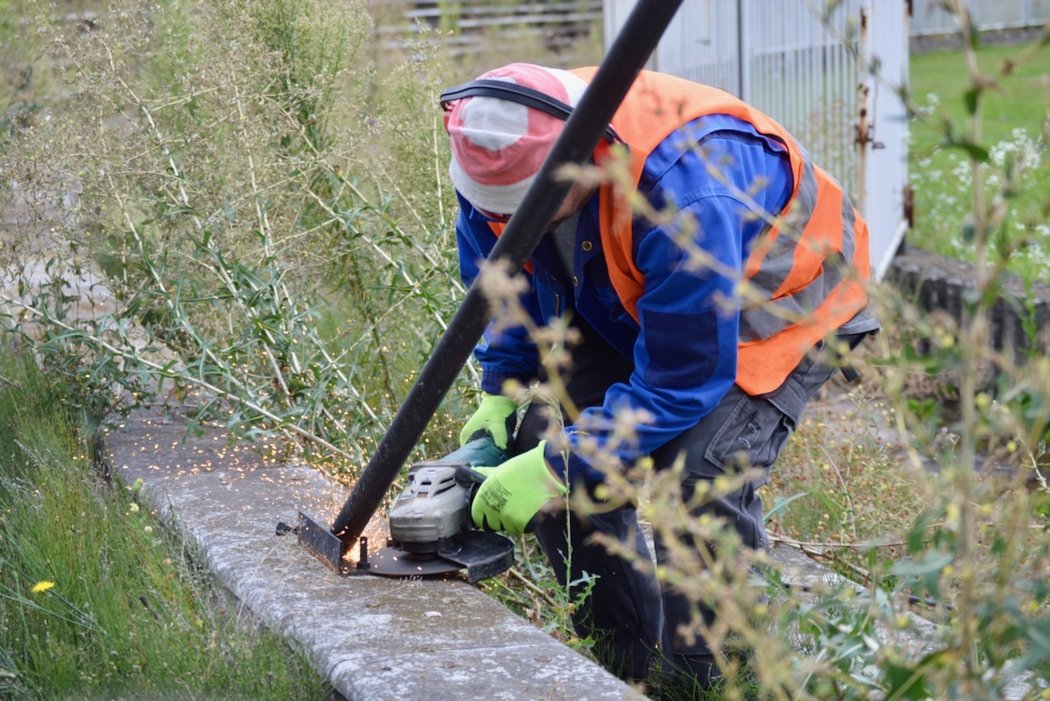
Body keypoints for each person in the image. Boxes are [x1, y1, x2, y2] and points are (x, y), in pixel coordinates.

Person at [441, 63, 879, 692]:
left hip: (783, 296)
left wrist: (560, 464)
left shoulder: (684, 192)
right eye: (498, 208)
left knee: (697, 476)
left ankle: (710, 680)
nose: (508, 221)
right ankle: (621, 668)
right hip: (640, 285)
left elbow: (684, 377)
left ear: (583, 161)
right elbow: (502, 277)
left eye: (523, 209)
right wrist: (505, 384)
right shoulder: (492, 148)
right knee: (574, 469)